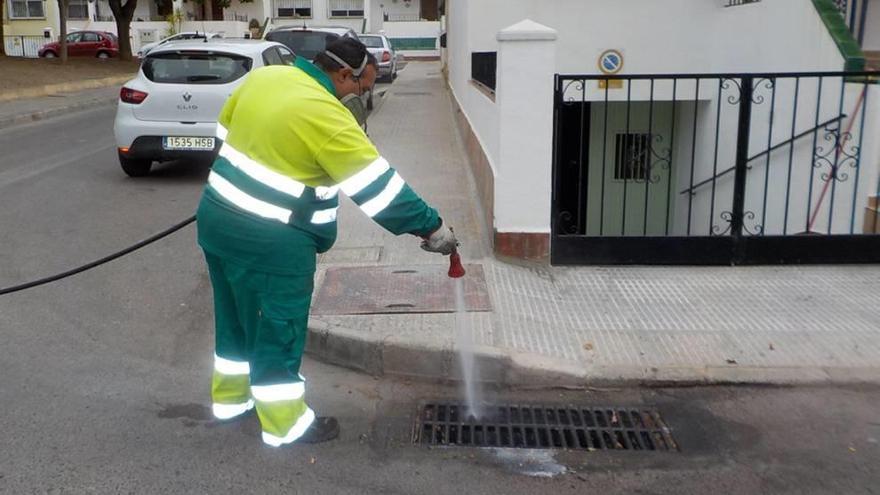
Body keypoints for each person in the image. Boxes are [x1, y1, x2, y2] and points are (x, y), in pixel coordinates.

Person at [195, 37, 458, 447]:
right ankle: (285, 423)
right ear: (342, 74)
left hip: (216, 220)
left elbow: (226, 131)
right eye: (360, 86)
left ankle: (230, 401)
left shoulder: (268, 77)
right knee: (276, 327)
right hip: (272, 242)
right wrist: (432, 228)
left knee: (235, 317)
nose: (361, 95)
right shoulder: (325, 115)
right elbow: (380, 190)